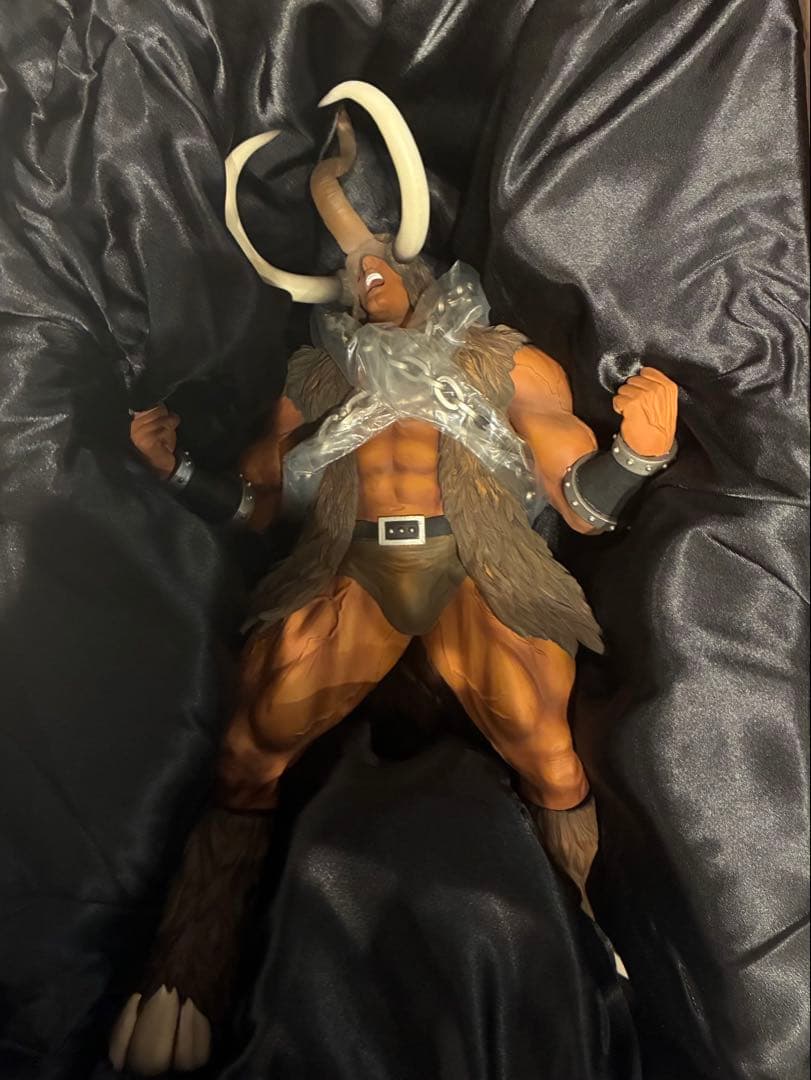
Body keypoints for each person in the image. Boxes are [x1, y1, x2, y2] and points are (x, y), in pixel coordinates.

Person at [111, 81, 678, 1075]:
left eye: (381, 255)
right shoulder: (318, 379)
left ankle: (586, 942)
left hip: (475, 568)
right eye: (348, 265)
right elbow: (256, 505)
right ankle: (188, 965)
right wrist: (176, 470)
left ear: (427, 270)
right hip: (354, 572)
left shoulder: (506, 364)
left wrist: (638, 453)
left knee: (550, 754)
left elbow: (578, 502)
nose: (364, 270)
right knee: (248, 750)